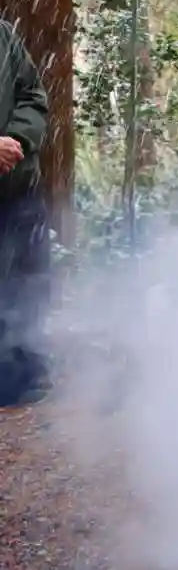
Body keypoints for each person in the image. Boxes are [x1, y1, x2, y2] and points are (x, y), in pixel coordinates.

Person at [0, 20, 50, 407]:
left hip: (18, 188)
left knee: (28, 280)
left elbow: (33, 94)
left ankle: (24, 369)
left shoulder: (3, 35)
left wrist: (17, 139)